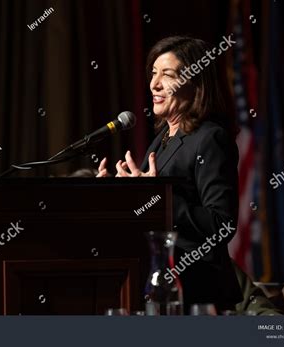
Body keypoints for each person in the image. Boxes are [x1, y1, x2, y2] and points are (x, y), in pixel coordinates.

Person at [97, 36, 243, 312]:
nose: (154, 84)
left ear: (196, 83)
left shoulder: (211, 138)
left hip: (200, 293)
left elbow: (222, 224)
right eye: (153, 73)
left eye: (167, 74)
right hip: (163, 286)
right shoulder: (164, 136)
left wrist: (156, 196)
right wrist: (117, 196)